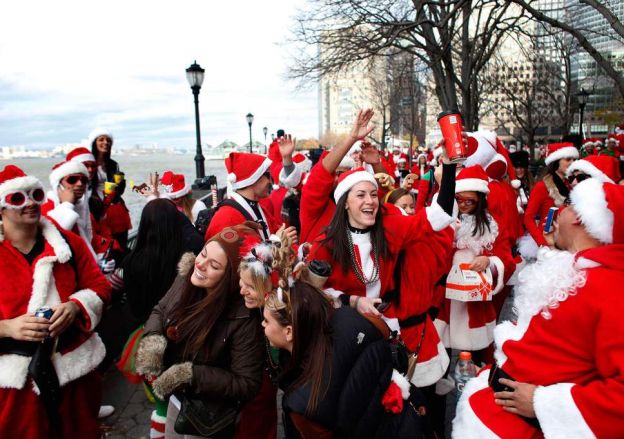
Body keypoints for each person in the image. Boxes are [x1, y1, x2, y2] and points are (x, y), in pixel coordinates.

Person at [453, 178, 624, 439]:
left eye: (567, 205)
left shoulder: (610, 288)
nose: (558, 211)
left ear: (579, 217)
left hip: (515, 428)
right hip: (492, 410)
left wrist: (543, 403)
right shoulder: (576, 268)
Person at [0, 165, 111, 438]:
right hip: (12, 386)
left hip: (72, 373)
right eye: (18, 198)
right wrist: (7, 328)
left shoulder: (68, 243)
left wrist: (76, 306)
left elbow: (99, 286)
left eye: (35, 195)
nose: (30, 204)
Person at [135, 224, 265, 438]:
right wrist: (153, 342)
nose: (201, 264)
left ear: (230, 278)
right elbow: (161, 310)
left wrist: (190, 375)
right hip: (177, 398)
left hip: (209, 412)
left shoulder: (243, 317)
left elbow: (247, 383)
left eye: (214, 265)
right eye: (203, 254)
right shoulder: (186, 278)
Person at [433, 166, 514, 359]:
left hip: (476, 297)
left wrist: (489, 261)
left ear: (480, 199)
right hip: (446, 294)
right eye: (459, 199)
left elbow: (507, 260)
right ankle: (443, 383)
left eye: (469, 200)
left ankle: (474, 379)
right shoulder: (445, 220)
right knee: (441, 344)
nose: (463, 204)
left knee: (476, 348)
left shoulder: (492, 224)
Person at [205, 138, 295, 241]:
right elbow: (241, 256)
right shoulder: (226, 218)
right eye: (268, 175)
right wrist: (277, 242)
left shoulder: (259, 207)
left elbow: (274, 233)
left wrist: (300, 249)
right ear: (253, 179)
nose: (271, 181)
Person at [523, 142, 578, 247]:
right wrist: (542, 243)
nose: (572, 163)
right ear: (556, 161)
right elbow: (528, 218)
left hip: (567, 242)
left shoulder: (570, 185)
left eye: (574, 160)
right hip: (549, 242)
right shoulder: (541, 186)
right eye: (568, 159)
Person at [88, 128, 132, 250]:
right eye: (101, 139)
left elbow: (119, 192)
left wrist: (121, 183)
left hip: (114, 210)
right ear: (94, 143)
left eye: (108, 140)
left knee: (121, 246)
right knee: (103, 247)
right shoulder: (89, 164)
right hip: (96, 210)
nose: (105, 142)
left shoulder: (113, 164)